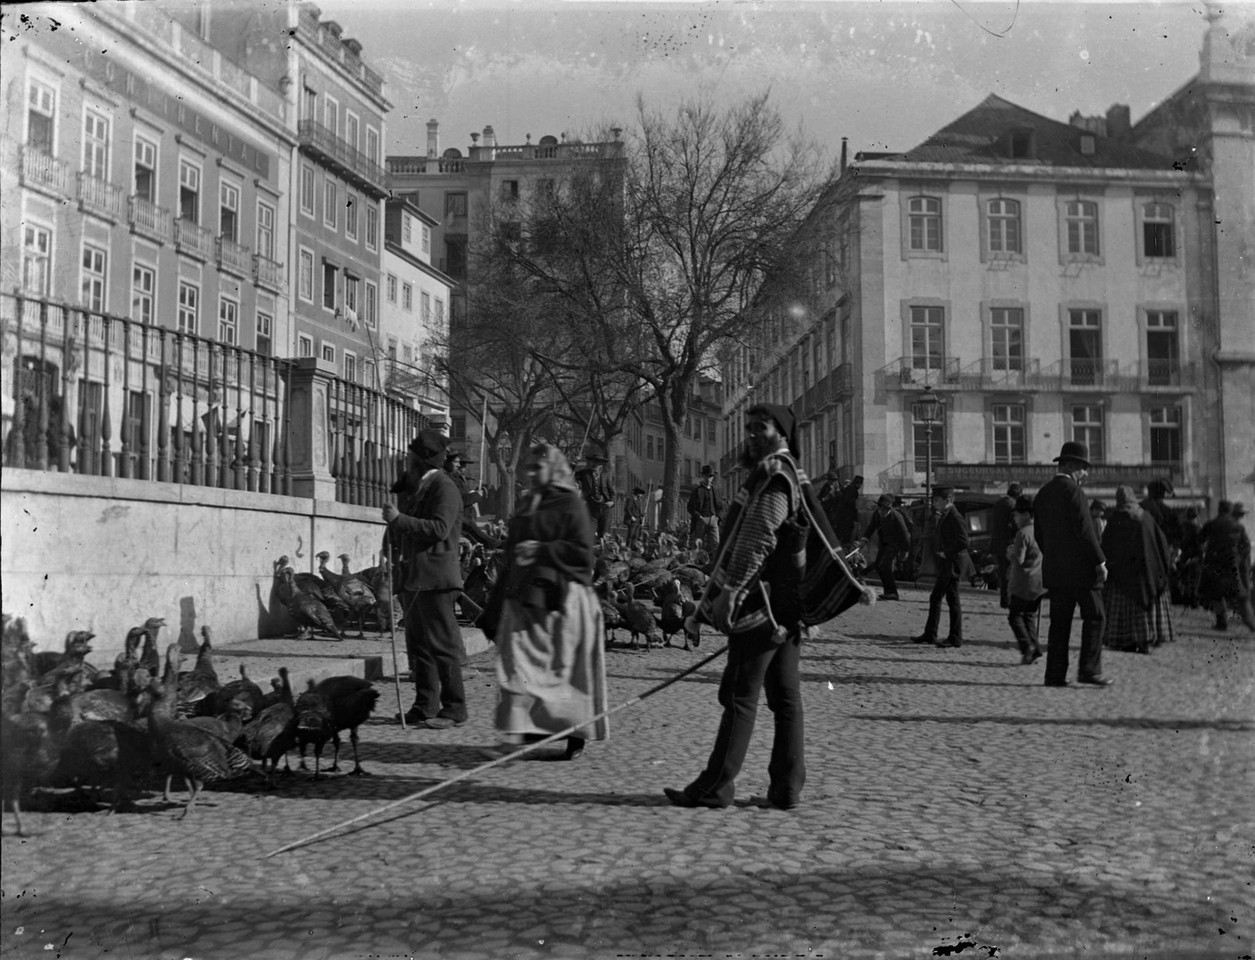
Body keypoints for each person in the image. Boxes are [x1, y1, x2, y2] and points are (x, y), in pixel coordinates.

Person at [664, 402, 824, 811]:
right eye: (748, 427)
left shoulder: (773, 474)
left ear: (782, 433)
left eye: (761, 428)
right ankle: (786, 789)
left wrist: (731, 591)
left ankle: (715, 787)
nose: (751, 434)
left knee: (739, 695)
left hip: (760, 602)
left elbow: (757, 538)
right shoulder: (792, 472)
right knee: (785, 698)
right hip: (787, 605)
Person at [478, 443, 609, 761]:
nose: (534, 474)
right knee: (516, 667)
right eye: (531, 468)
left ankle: (575, 735)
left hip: (563, 600)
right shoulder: (527, 504)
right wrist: (493, 607)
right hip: (525, 598)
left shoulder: (571, 504)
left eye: (540, 468)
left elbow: (582, 553)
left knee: (566, 673)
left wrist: (542, 550)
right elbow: (512, 554)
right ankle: (517, 735)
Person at [382, 429, 468, 728]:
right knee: (419, 646)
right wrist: (390, 539)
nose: (406, 460)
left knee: (442, 646)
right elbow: (402, 525)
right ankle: (425, 706)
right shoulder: (418, 486)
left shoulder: (444, 487)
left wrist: (399, 519)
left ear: (423, 459)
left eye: (411, 456)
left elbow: (439, 529)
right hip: (415, 577)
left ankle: (455, 709)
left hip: (436, 578)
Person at [1033, 442, 1112, 687]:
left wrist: (1055, 557)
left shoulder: (1043, 493)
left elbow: (1039, 535)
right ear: (1070, 465)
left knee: (1059, 624)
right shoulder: (1074, 492)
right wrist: (1099, 561)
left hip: (1056, 573)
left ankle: (1054, 675)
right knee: (1096, 616)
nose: (1085, 473)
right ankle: (1089, 670)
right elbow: (1085, 532)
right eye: (1083, 468)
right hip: (1081, 572)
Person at [1099, 485, 1174, 654]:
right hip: (1146, 573)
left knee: (1123, 607)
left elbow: (1107, 546)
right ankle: (1146, 639)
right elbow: (1161, 544)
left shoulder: (1115, 519)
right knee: (1144, 605)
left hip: (1122, 574)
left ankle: (1126, 640)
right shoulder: (1145, 517)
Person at [911, 486, 968, 648]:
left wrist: (946, 552)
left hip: (951, 564)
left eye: (937, 500)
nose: (934, 503)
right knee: (942, 598)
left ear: (947, 500)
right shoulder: (947, 514)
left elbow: (963, 541)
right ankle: (933, 634)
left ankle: (952, 637)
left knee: (946, 599)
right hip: (947, 564)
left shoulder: (954, 516)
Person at [1199, 501, 1255, 632]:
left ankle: (1221, 622)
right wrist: (1240, 559)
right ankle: (1252, 624)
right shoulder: (1238, 526)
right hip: (1233, 565)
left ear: (1219, 510)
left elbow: (1200, 540)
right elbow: (1246, 546)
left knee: (1217, 595)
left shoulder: (1210, 524)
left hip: (1214, 565)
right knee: (1241, 597)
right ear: (1230, 510)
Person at [1005, 494, 1044, 664]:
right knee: (1029, 616)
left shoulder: (1023, 533)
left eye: (1016, 515)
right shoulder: (1042, 530)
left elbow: (1019, 560)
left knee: (1015, 617)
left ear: (1026, 514)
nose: (1015, 519)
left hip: (1023, 583)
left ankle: (1027, 647)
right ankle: (1035, 647)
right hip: (1039, 582)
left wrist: (1010, 553)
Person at [864, 493, 910, 600]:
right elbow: (871, 527)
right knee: (879, 566)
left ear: (889, 508)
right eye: (880, 508)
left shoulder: (896, 517)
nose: (882, 511)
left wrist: (905, 551)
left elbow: (905, 535)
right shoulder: (877, 514)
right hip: (884, 543)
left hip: (895, 544)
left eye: (885, 509)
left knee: (884, 565)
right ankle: (889, 591)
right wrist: (864, 539)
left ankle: (893, 592)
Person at [990, 482, 1022, 609]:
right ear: (1018, 495)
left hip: (997, 543)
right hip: (1008, 543)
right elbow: (1014, 525)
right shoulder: (1012, 505)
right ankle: (1007, 600)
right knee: (1009, 573)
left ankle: (1004, 600)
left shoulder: (999, 503)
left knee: (1004, 573)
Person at [574, 453, 615, 542]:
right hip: (591, 507)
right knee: (590, 533)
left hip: (605, 507)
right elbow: (571, 475)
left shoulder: (606, 475)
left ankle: (603, 549)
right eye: (593, 462)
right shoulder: (585, 473)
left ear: (601, 465)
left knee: (604, 534)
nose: (594, 464)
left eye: (597, 463)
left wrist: (612, 502)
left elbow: (612, 492)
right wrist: (575, 462)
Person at [687, 465, 724, 551]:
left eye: (710, 476)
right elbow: (690, 507)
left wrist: (718, 517)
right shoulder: (697, 490)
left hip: (713, 519)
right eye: (706, 476)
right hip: (701, 521)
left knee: (716, 545)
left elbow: (721, 506)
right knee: (697, 546)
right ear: (703, 476)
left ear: (713, 477)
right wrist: (699, 517)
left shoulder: (715, 490)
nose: (708, 478)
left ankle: (714, 559)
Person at [1141, 479, 1180, 549]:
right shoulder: (1168, 511)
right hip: (1162, 548)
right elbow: (1176, 533)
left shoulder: (1140, 507)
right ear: (1162, 494)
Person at [832, 474, 863, 546]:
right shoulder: (852, 489)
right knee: (847, 532)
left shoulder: (851, 488)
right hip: (846, 516)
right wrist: (856, 502)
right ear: (858, 483)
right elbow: (847, 501)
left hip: (846, 515)